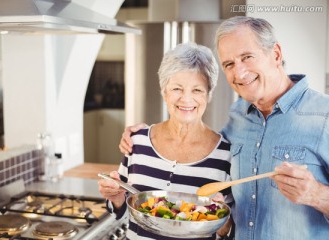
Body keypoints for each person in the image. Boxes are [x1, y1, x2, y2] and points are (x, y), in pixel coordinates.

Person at [118, 16, 329, 240]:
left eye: (247, 57)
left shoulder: (323, 115)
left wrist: (317, 195)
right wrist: (142, 134)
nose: (239, 73)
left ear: (276, 54)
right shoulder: (236, 118)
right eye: (229, 64)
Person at [98, 42, 234, 240]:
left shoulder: (225, 155)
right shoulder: (138, 142)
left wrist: (220, 218)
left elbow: (228, 233)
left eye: (197, 90)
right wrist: (117, 198)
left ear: (208, 95)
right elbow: (121, 213)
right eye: (177, 88)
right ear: (164, 92)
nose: (186, 99)